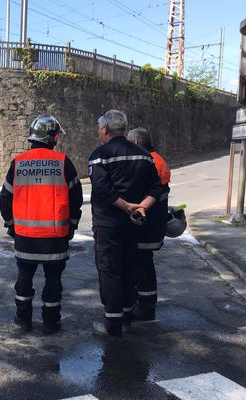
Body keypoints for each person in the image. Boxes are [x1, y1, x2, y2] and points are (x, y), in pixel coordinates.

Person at [0, 114, 83, 334]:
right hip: (55, 237)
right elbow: (76, 197)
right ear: (52, 137)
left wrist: (10, 224)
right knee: (53, 280)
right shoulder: (63, 162)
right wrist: (72, 225)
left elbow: (5, 197)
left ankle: (23, 319)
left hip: (25, 236)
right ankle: (50, 322)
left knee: (24, 278)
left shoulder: (18, 163)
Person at [88, 110, 164, 336]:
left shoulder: (100, 154)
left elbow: (102, 190)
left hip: (108, 224)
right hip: (136, 224)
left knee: (110, 271)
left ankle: (112, 324)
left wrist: (126, 206)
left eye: (99, 128)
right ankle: (128, 316)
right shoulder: (144, 154)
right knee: (130, 268)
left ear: (104, 129)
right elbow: (157, 188)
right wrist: (141, 207)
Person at [127, 127, 170, 321]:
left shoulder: (149, 161)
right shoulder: (157, 159)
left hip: (146, 226)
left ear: (136, 143)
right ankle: (144, 303)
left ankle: (145, 307)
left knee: (142, 266)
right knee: (143, 264)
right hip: (154, 224)